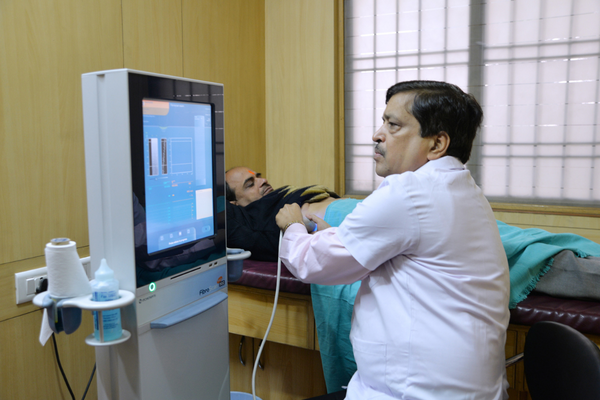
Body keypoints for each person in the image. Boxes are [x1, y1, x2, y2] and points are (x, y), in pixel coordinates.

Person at [275, 81, 511, 399]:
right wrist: (332, 235)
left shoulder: (409, 192)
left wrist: (293, 227)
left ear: (437, 144)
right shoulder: (465, 189)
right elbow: (405, 248)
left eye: (393, 125)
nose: (377, 134)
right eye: (383, 122)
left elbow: (312, 262)